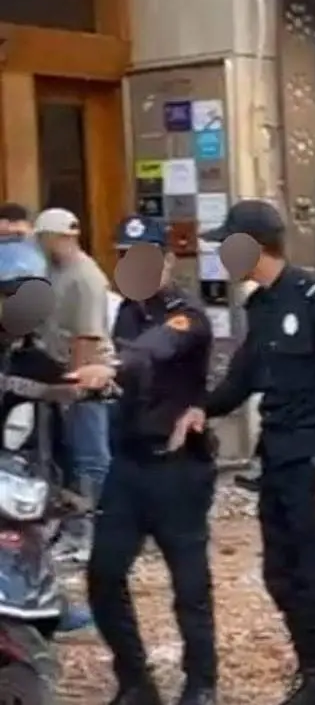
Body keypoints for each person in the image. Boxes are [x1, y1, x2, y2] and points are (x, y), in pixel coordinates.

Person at [173, 199, 315, 705]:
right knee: (281, 575)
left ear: (254, 246)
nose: (222, 256)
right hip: (278, 461)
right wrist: (202, 408)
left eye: (228, 246)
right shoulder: (261, 306)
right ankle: (313, 674)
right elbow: (242, 379)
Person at [66, 215, 218, 705]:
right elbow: (132, 371)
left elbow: (155, 350)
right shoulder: (127, 312)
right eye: (125, 255)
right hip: (129, 466)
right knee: (104, 575)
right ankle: (135, 680)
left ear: (167, 259)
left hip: (178, 469)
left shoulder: (186, 313)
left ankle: (201, 684)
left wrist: (109, 367)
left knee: (189, 585)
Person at [0, 234, 94, 634]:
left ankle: (46, 599)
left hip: (23, 460)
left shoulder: (27, 350)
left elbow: (57, 389)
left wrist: (90, 383)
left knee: (30, 528)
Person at [34, 208, 114, 563]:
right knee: (66, 457)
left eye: (43, 237)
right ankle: (72, 529)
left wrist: (76, 385)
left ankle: (96, 533)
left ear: (58, 237)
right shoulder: (53, 270)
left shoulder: (85, 277)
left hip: (85, 376)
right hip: (59, 372)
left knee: (91, 458)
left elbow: (87, 336)